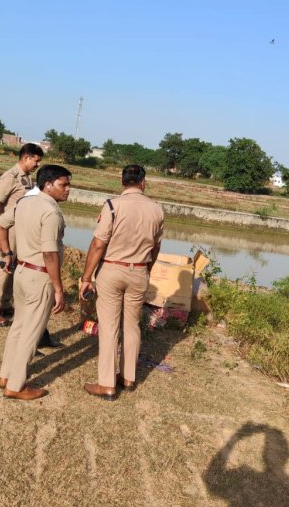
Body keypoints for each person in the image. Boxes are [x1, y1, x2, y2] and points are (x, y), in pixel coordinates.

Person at [79, 165, 164, 401]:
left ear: (122, 181)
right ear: (143, 182)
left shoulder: (112, 206)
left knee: (109, 327)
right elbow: (156, 247)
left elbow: (98, 244)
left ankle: (106, 384)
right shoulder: (157, 210)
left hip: (112, 269)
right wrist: (145, 268)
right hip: (139, 271)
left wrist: (87, 277)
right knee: (132, 325)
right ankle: (128, 378)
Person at [0, 165, 71, 400]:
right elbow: (50, 253)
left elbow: (0, 222)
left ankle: (6, 375)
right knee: (32, 331)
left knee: (19, 326)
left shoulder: (24, 202)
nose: (68, 190)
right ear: (48, 185)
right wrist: (58, 287)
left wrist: (7, 252)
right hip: (39, 276)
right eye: (63, 185)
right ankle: (16, 386)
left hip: (21, 272)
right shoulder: (51, 212)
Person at [0, 143, 43, 327]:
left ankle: (4, 304)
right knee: (3, 267)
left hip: (20, 230)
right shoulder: (11, 176)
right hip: (8, 230)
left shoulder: (27, 179)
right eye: (36, 160)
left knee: (12, 267)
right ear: (26, 157)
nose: (37, 164)